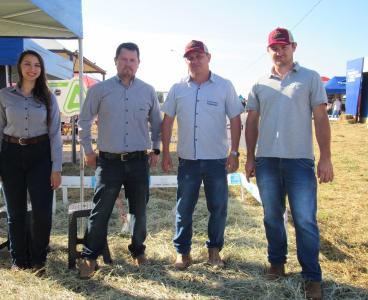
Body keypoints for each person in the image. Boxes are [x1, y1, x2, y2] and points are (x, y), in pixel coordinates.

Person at [245, 28, 333, 300]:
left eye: (284, 46)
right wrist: (250, 157)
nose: (279, 51)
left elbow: (320, 118)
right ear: (268, 49)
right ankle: (277, 264)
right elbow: (251, 122)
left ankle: (311, 277)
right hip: (267, 162)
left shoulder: (310, 78)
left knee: (305, 220)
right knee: (272, 216)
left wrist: (326, 157)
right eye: (274, 47)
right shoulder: (259, 83)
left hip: (300, 162)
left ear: (294, 47)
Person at [77, 42, 162, 278]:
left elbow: (157, 123)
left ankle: (138, 250)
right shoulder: (100, 90)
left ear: (138, 63)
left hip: (138, 162)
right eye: (124, 60)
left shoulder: (148, 91)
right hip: (109, 162)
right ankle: (89, 257)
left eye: (132, 60)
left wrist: (155, 149)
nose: (128, 64)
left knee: (139, 211)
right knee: (100, 211)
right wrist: (87, 149)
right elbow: (83, 122)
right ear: (115, 61)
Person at [161, 40, 244, 269]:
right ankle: (182, 253)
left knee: (218, 208)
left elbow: (236, 119)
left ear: (209, 57)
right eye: (190, 57)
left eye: (199, 56)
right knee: (183, 207)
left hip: (216, 160)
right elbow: (167, 121)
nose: (194, 61)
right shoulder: (178, 88)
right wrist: (166, 152)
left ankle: (214, 251)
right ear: (185, 60)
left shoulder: (224, 86)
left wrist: (234, 152)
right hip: (187, 161)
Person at [0, 50, 62, 275]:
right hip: (11, 156)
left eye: (37, 65)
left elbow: (56, 134)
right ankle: (18, 260)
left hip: (40, 156)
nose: (32, 69)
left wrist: (56, 167)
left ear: (42, 70)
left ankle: (39, 259)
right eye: (28, 64)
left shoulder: (49, 98)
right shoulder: (5, 95)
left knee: (42, 212)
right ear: (19, 67)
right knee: (15, 212)